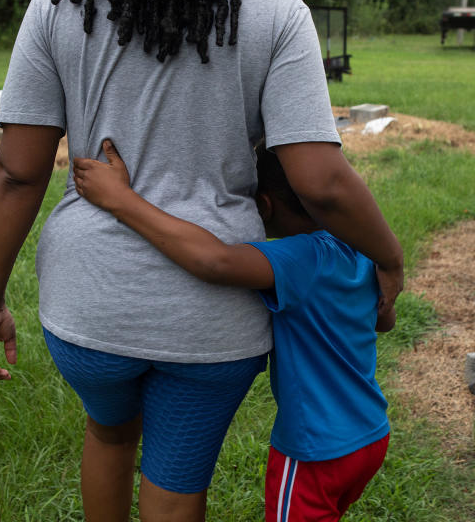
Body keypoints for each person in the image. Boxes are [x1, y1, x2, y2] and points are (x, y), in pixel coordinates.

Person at [0, 0, 403, 520]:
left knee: (109, 434)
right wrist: (388, 260)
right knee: (177, 479)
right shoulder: (277, 13)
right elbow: (322, 182)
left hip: (92, 306)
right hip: (215, 321)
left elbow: (16, 171)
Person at [73, 139, 394, 522]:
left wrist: (120, 200)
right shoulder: (360, 246)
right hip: (370, 434)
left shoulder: (303, 258)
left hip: (317, 449)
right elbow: (384, 320)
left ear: (264, 205)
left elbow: (215, 261)